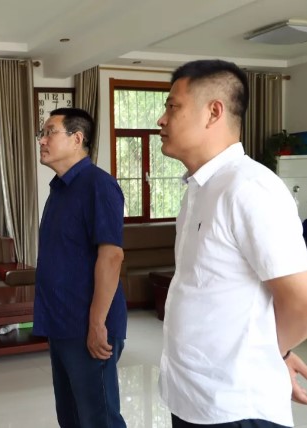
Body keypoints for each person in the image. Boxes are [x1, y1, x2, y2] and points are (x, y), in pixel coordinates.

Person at [157, 59, 307, 427]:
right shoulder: (199, 189)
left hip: (235, 406)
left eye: (173, 106)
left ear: (214, 112)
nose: (162, 119)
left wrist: (271, 352)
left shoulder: (251, 187)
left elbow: (300, 302)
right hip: (192, 397)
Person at [34, 107, 128, 427]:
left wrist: (97, 323)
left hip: (87, 323)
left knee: (98, 418)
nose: (42, 140)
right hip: (61, 322)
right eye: (42, 134)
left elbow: (111, 256)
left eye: (50, 132)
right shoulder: (59, 188)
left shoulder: (98, 185)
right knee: (71, 417)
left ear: (77, 139)